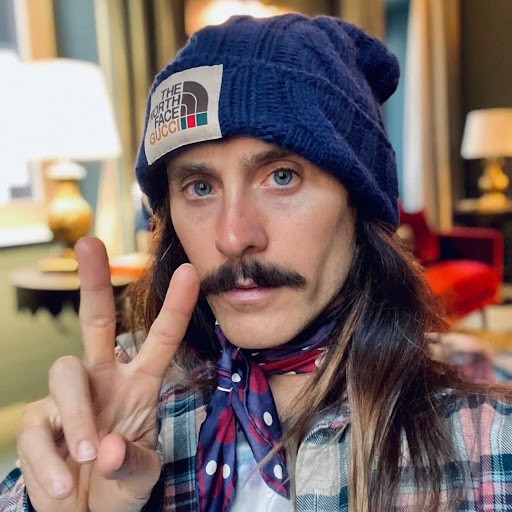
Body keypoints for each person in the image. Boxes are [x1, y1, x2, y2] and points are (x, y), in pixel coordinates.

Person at [1, 12, 511, 512]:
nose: (233, 237)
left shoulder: (486, 446)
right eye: (199, 187)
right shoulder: (123, 405)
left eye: (282, 176)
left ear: (359, 204)